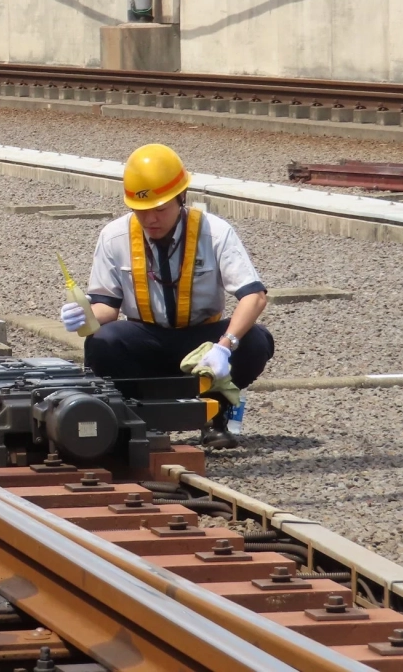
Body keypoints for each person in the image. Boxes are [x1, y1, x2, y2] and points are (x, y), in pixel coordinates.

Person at [60, 143, 274, 449]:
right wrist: (85, 315)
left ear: (181, 198)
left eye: (160, 209)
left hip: (202, 344)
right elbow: (107, 307)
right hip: (146, 339)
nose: (150, 219)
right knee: (102, 342)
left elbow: (255, 296)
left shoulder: (215, 232)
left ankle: (216, 414)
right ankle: (137, 420)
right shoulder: (114, 236)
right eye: (141, 210)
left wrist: (224, 347)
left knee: (256, 340)